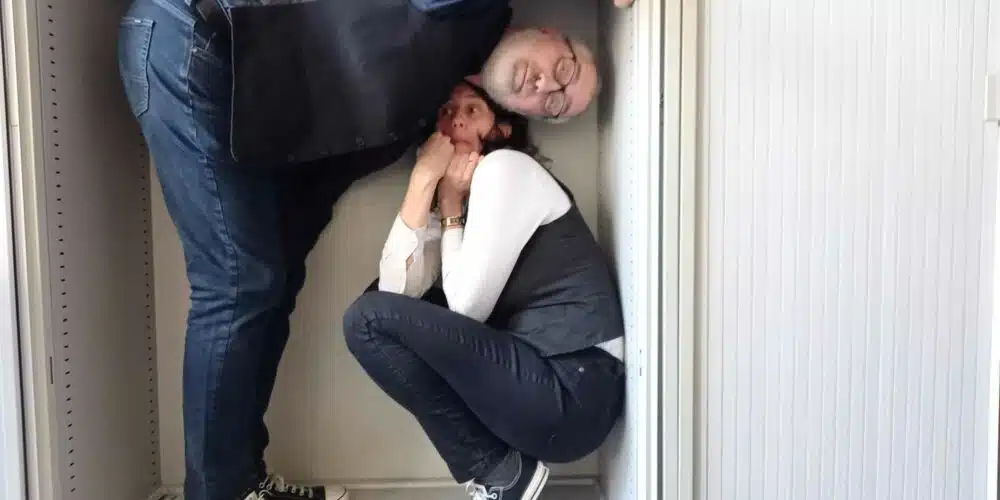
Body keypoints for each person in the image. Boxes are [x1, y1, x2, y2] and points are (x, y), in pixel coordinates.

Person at [117, 0, 632, 498]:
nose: (547, 86)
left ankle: (242, 482)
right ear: (548, 35)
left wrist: (439, 196)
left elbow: (403, 301)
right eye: (563, 68)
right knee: (242, 282)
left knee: (270, 282)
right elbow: (407, 300)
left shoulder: (451, 142)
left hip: (242, 102)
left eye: (557, 103)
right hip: (197, 43)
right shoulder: (469, 18)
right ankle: (224, 491)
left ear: (509, 119)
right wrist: (428, 185)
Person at [343, 81, 626, 500]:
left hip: (576, 388)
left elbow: (467, 308)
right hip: (550, 392)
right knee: (378, 311)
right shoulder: (464, 199)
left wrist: (451, 209)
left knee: (367, 320)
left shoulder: (506, 169)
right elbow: (394, 294)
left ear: (501, 129)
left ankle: (501, 473)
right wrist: (424, 181)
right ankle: (503, 473)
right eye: (445, 111)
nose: (455, 120)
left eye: (472, 110)